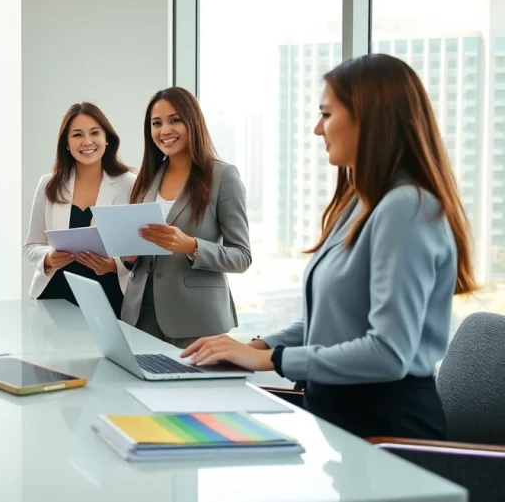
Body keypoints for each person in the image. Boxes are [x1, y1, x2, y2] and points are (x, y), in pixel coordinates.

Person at [181, 53, 476, 441]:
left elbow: (388, 353)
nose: (317, 129)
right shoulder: (359, 201)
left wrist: (271, 359)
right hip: (337, 414)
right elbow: (331, 321)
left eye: (326, 114)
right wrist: (253, 346)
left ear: (369, 119)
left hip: (385, 429)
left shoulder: (406, 208)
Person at [119, 87, 251, 348]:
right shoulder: (146, 178)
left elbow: (242, 256)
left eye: (175, 120)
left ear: (193, 122)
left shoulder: (222, 176)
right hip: (141, 315)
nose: (165, 130)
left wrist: (191, 246)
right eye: (156, 123)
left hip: (196, 318)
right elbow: (138, 256)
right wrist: (129, 257)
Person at [23, 102, 135, 315]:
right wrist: (48, 258)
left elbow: (138, 250)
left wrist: (113, 265)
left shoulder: (129, 183)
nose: (87, 142)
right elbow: (31, 245)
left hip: (109, 295)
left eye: (95, 133)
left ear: (107, 139)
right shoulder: (49, 184)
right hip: (55, 296)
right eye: (77, 135)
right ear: (66, 143)